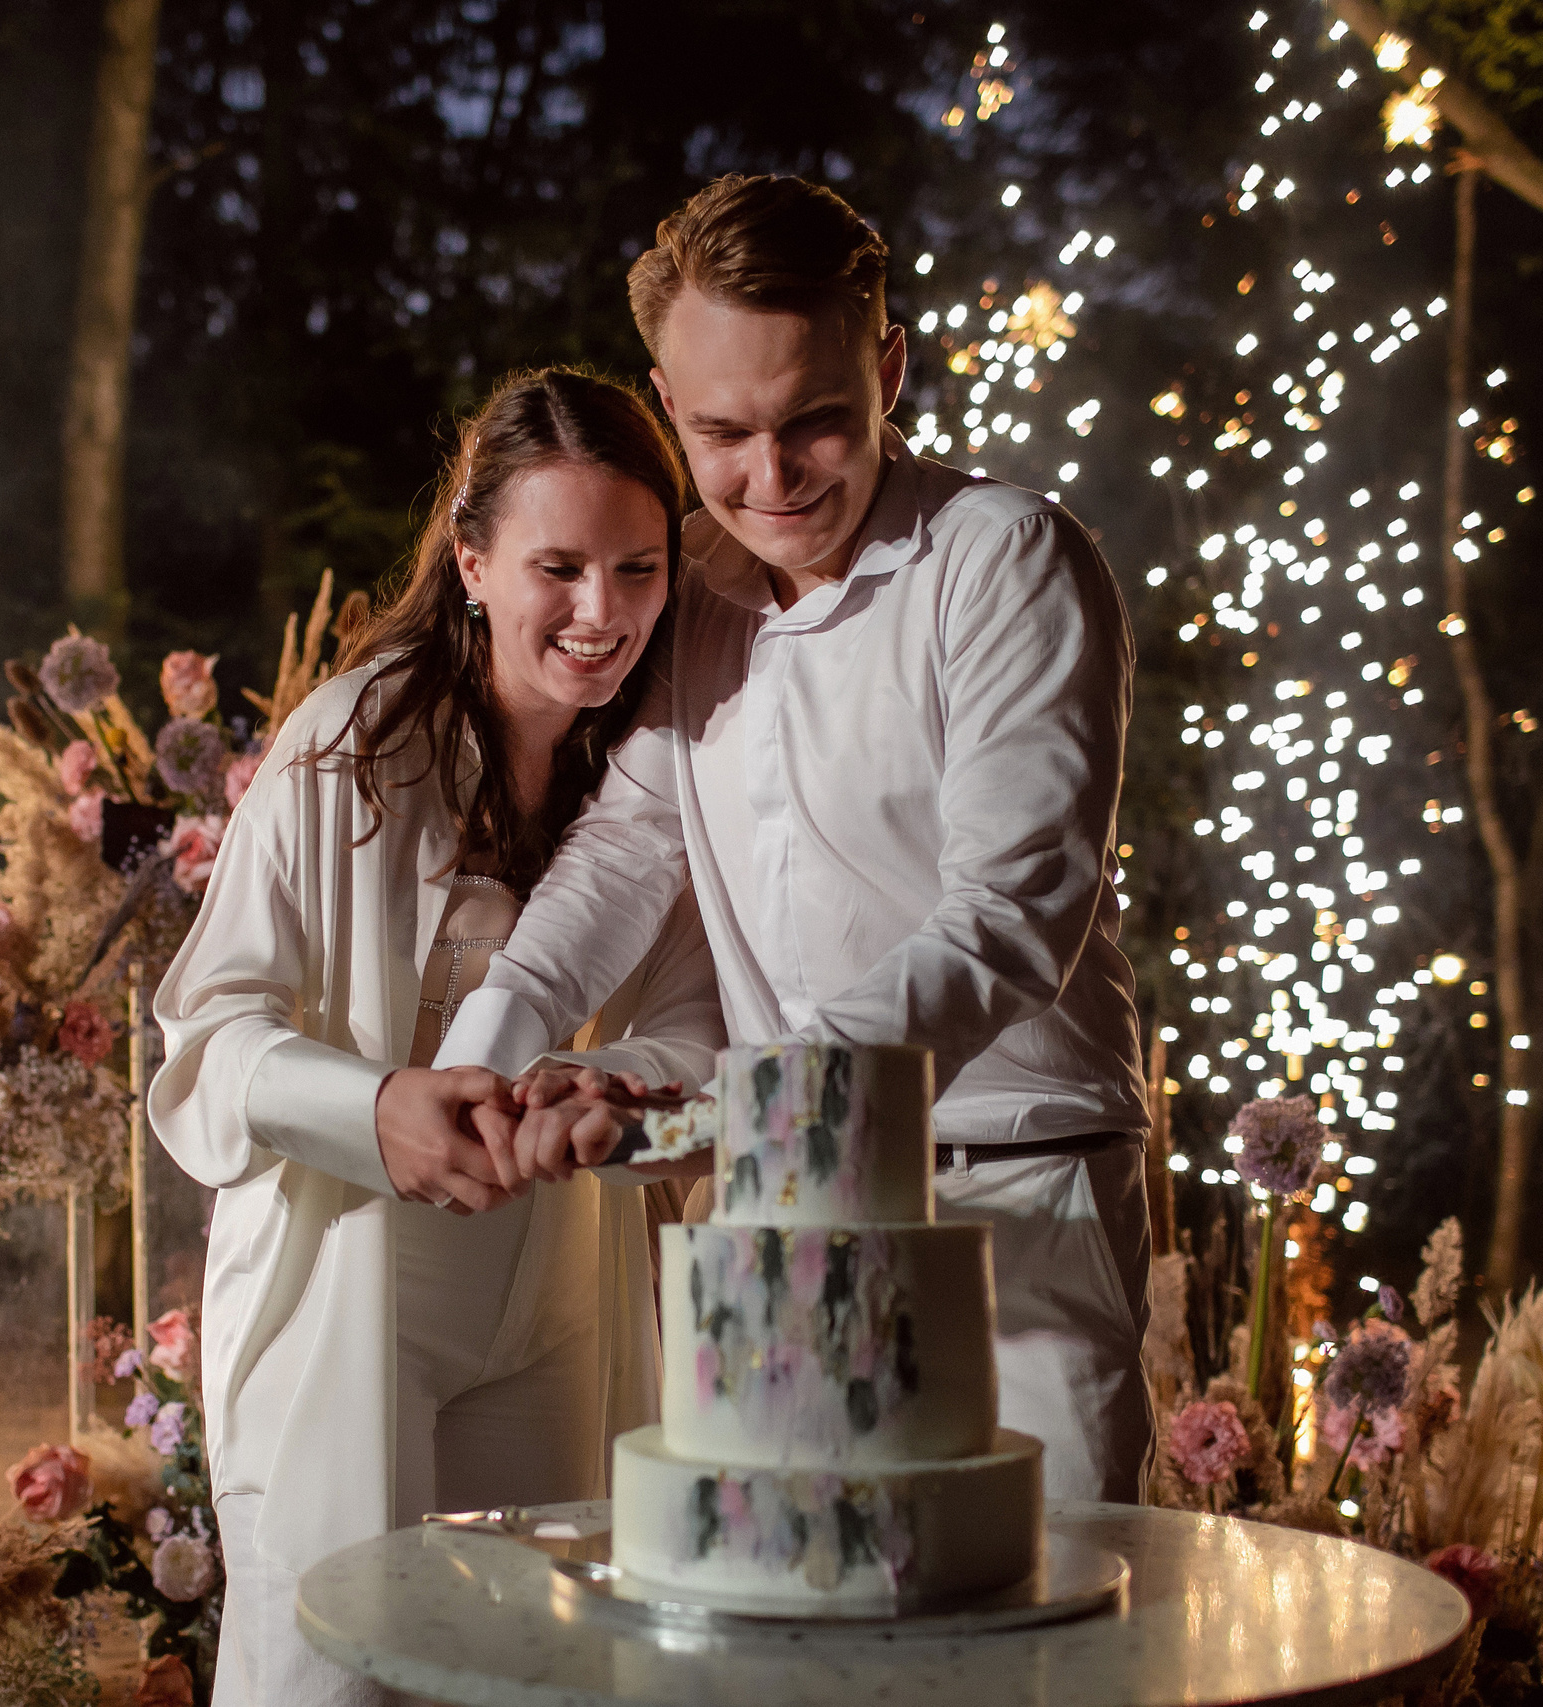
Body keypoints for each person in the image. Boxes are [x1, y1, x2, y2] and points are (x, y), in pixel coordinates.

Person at [433, 175, 1155, 1502]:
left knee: (1042, 1608)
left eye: (814, 420)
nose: (771, 479)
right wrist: (485, 1058)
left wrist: (737, 1106)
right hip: (777, 1200)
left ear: (888, 370)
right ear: (666, 404)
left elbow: (1009, 917)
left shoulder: (1005, 559)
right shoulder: (690, 583)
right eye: (723, 433)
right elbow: (626, 850)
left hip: (1007, 1191)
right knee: (777, 1605)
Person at [150, 367, 722, 1707]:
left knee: (553, 1672)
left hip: (565, 1293)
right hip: (352, 1297)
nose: (602, 614)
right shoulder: (348, 746)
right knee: (332, 1677)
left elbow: (696, 1015)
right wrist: (372, 1108)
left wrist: (606, 1086)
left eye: (638, 570)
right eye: (558, 568)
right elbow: (206, 1038)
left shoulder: (665, 766)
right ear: (471, 563)